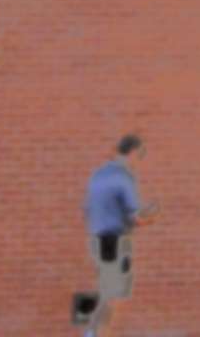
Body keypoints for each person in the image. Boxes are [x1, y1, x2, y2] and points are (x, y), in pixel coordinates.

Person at [81, 134, 147, 330]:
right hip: (115, 238)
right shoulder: (123, 176)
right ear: (133, 152)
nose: (140, 161)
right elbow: (136, 215)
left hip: (97, 238)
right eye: (140, 155)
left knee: (108, 291)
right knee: (113, 295)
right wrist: (151, 216)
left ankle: (95, 332)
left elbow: (86, 209)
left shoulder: (98, 175)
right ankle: (94, 333)